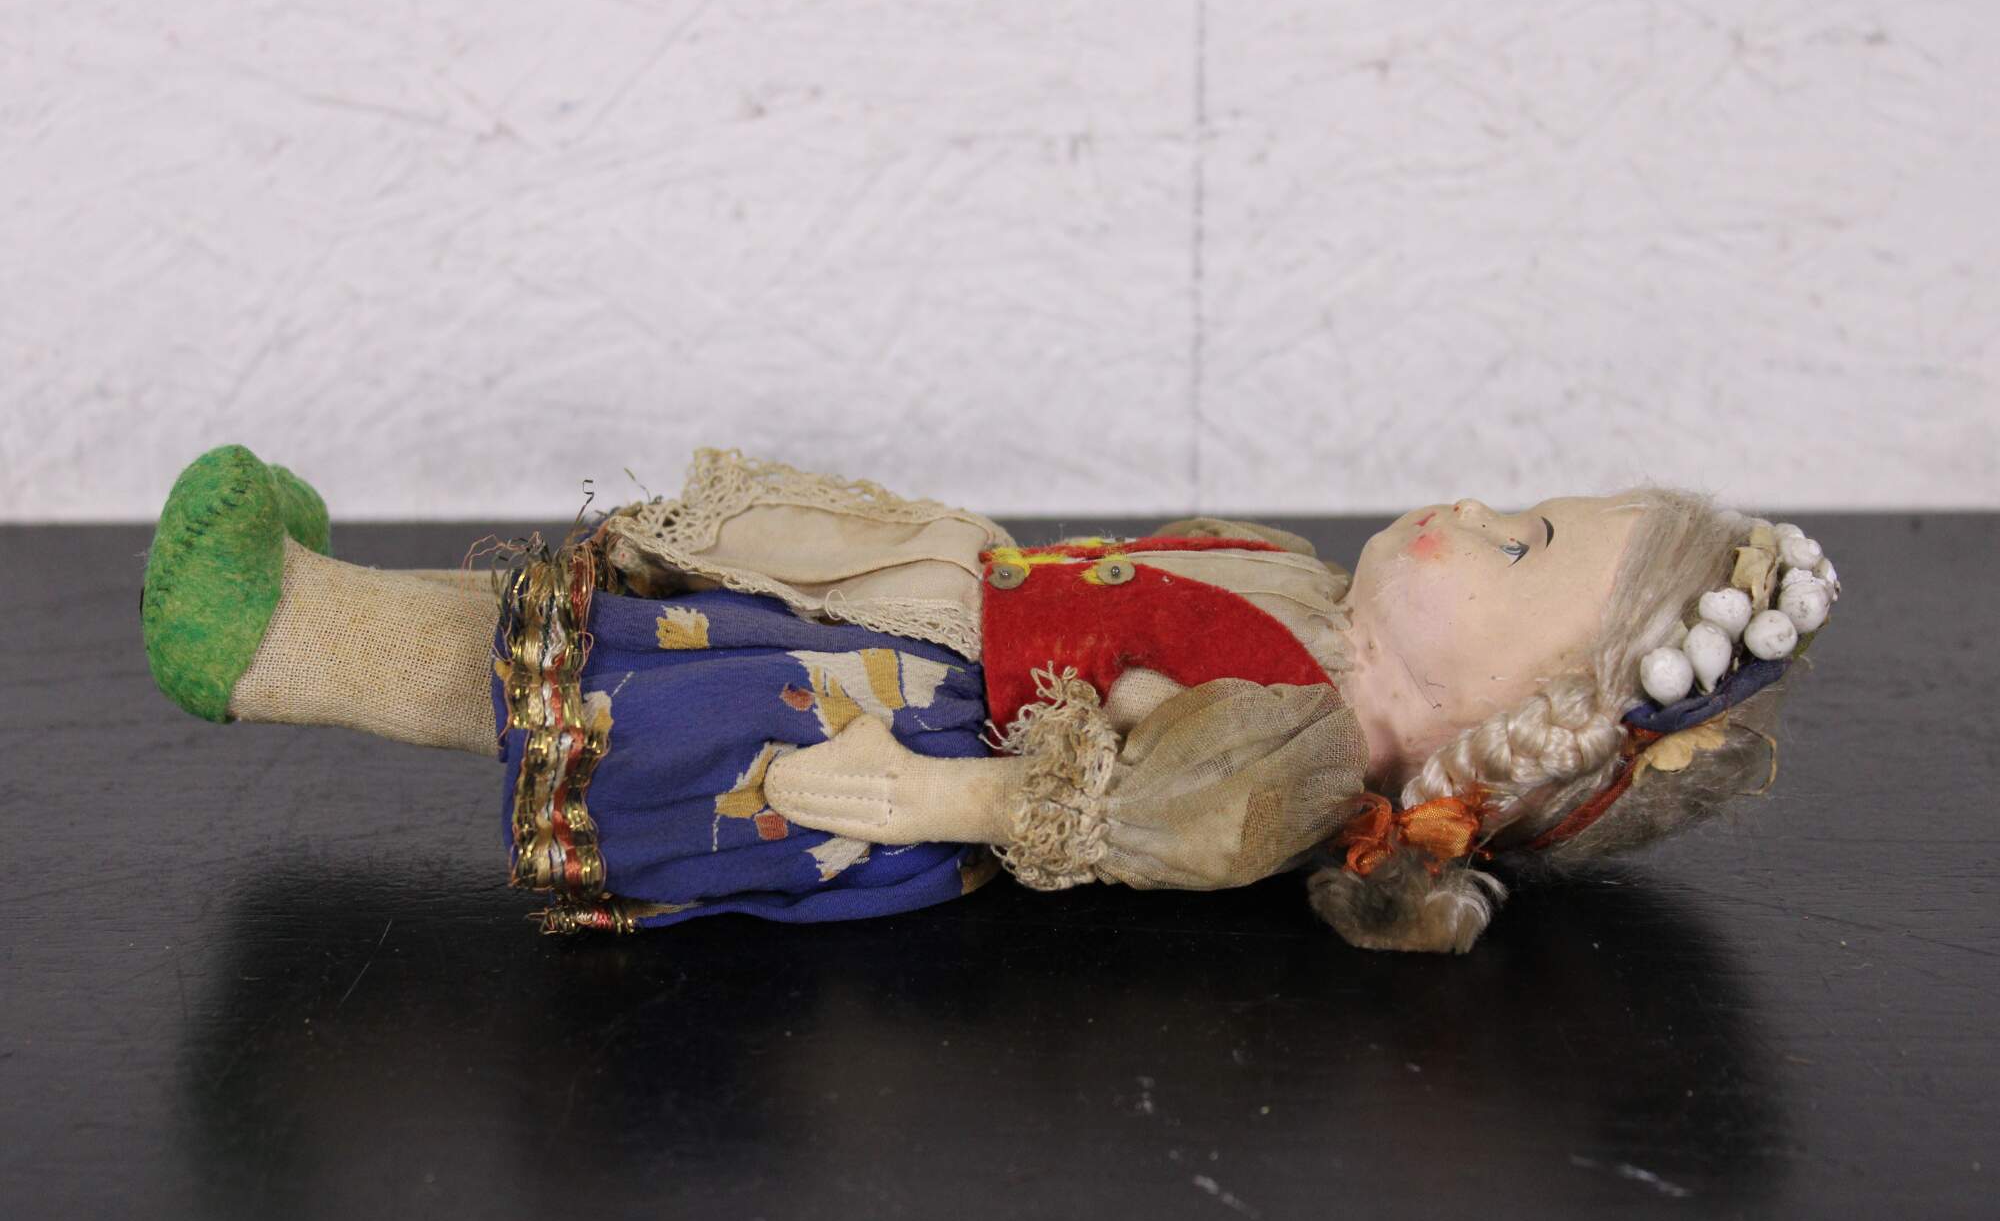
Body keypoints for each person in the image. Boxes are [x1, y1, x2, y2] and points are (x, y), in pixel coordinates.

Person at [139, 445, 1836, 953]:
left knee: (589, 689)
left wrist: (932, 794)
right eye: (1520, 495)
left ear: (1517, 718)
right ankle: (321, 593)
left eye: (1519, 542)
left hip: (897, 718)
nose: (1472, 503)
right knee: (612, 613)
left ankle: (275, 640)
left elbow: (1130, 818)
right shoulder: (1310, 597)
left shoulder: (1299, 746)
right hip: (934, 618)